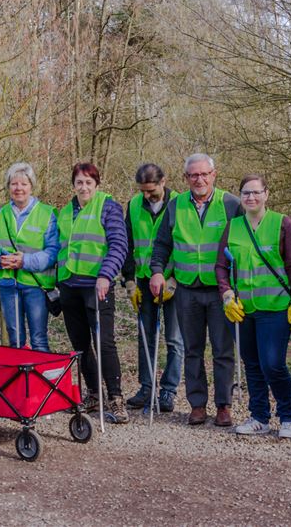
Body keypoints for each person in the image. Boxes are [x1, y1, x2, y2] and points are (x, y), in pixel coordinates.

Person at [149, 153, 242, 427]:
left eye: (204, 174)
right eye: (193, 175)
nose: (199, 179)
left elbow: (242, 244)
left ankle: (223, 406)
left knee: (223, 350)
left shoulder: (230, 204)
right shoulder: (176, 206)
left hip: (219, 290)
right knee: (192, 349)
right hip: (186, 289)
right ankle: (197, 404)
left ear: (214, 175)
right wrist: (157, 271)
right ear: (186, 178)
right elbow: (162, 244)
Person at [215, 174, 291, 439]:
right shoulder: (232, 227)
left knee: (273, 363)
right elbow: (221, 266)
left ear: (266, 193)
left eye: (256, 192)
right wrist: (227, 293)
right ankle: (259, 417)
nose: (251, 197)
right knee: (252, 364)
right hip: (242, 310)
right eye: (245, 193)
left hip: (275, 307)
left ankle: (288, 416)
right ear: (240, 197)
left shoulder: (282, 224)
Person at [58, 163, 129, 424]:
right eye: (79, 182)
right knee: (80, 345)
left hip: (97, 286)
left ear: (97, 184)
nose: (84, 187)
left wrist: (105, 275)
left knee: (105, 343)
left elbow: (119, 245)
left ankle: (116, 398)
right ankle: (93, 393)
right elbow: (60, 248)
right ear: (73, 185)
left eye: (89, 182)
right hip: (69, 285)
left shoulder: (108, 207)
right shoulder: (65, 212)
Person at [121, 163, 185, 412]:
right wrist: (128, 279)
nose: (147, 196)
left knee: (174, 340)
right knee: (145, 337)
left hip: (173, 282)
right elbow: (126, 243)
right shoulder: (135, 204)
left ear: (163, 182)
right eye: (143, 191)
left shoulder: (180, 203)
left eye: (151, 190)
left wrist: (175, 278)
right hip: (144, 279)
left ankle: (168, 391)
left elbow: (187, 245)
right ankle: (146, 388)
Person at [0, 162, 59, 352]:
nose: (19, 188)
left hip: (36, 285)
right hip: (8, 286)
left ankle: (40, 380)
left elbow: (53, 251)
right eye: (14, 184)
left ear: (31, 186)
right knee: (15, 341)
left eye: (24, 184)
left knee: (39, 339)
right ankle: (20, 381)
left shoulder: (47, 214)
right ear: (8, 186)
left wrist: (25, 261)